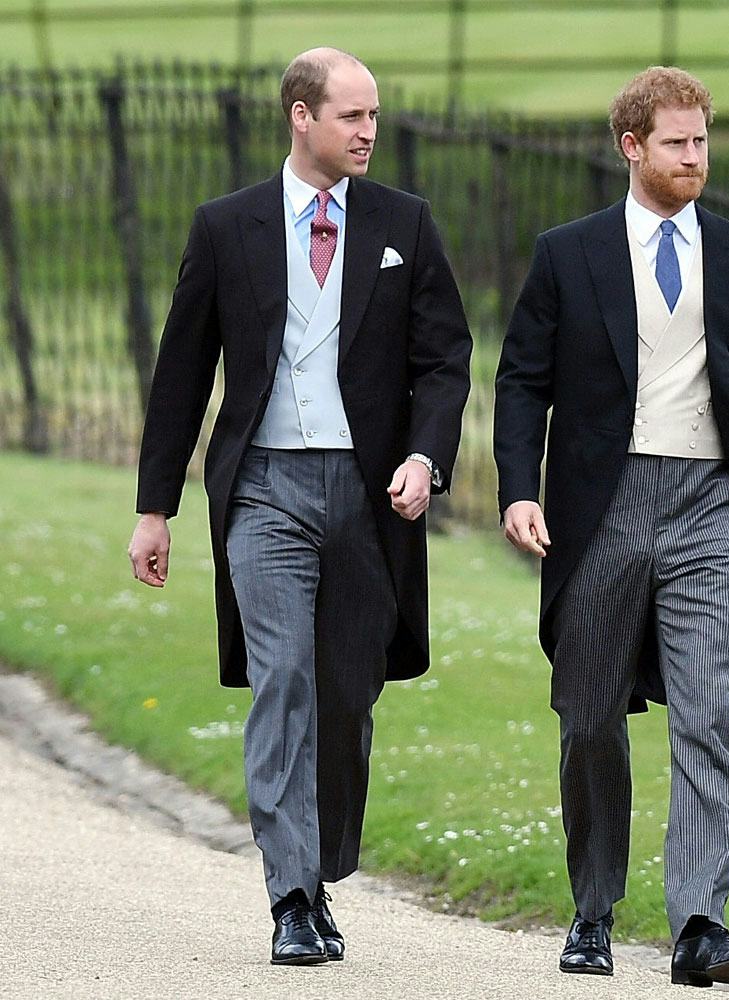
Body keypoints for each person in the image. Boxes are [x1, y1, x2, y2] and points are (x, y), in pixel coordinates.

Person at [128, 48, 472, 966]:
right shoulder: (226, 226)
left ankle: (318, 874)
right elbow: (181, 375)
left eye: (373, 117)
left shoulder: (406, 223)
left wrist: (424, 456)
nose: (368, 133)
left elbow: (446, 360)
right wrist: (153, 507)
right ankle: (288, 896)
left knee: (347, 696)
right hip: (264, 490)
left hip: (368, 498)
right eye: (351, 116)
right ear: (300, 117)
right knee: (283, 682)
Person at [493, 66, 729, 987]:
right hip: (603, 508)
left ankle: (701, 922)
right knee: (590, 719)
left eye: (702, 140)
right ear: (632, 147)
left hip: (711, 509)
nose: (694, 156)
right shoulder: (569, 252)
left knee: (708, 712)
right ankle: (592, 910)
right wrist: (517, 490)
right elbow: (520, 380)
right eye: (677, 142)